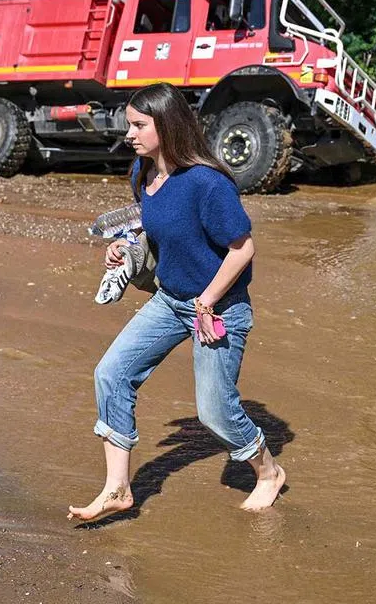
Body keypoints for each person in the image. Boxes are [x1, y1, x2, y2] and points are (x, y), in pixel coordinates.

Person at [68, 83, 285, 521]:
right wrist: (125, 249)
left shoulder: (207, 183)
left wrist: (206, 301)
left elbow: (242, 250)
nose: (129, 133)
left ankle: (268, 472)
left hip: (219, 310)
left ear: (166, 126)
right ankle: (117, 489)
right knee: (111, 374)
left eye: (138, 125)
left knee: (215, 414)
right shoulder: (142, 173)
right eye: (129, 124)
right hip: (170, 301)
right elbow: (157, 228)